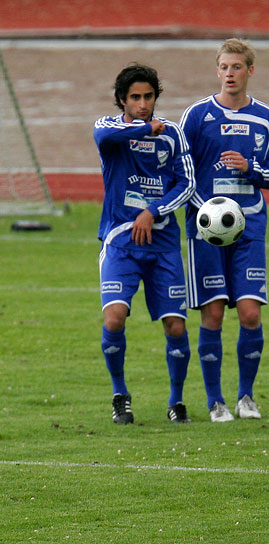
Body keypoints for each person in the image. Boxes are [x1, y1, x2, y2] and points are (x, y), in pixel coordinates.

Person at [179, 38, 269, 422]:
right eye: (223, 67)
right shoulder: (197, 116)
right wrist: (203, 211)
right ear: (217, 70)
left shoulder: (265, 118)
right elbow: (182, 172)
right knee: (212, 316)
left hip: (250, 226)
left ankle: (246, 397)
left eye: (237, 67)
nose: (229, 74)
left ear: (250, 71)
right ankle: (215, 401)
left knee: (250, 314)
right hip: (206, 230)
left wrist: (249, 168)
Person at [94, 63, 196, 424]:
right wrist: (141, 128)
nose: (142, 103)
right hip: (121, 242)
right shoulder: (110, 127)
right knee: (115, 317)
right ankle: (120, 395)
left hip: (163, 244)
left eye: (148, 96)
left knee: (176, 326)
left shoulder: (173, 135)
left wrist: (152, 211)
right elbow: (104, 139)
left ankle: (176, 401)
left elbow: (186, 184)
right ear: (122, 99)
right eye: (135, 97)